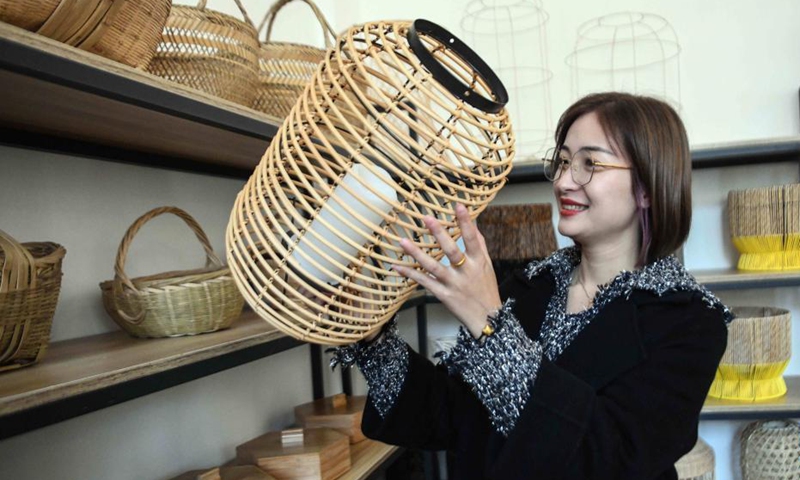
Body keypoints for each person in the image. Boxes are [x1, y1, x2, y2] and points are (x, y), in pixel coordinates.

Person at [331, 92, 732, 480]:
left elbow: (606, 459)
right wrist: (374, 341)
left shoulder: (691, 324)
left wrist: (492, 329)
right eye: (562, 161)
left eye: (590, 163)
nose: (564, 181)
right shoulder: (531, 287)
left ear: (646, 188)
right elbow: (452, 417)